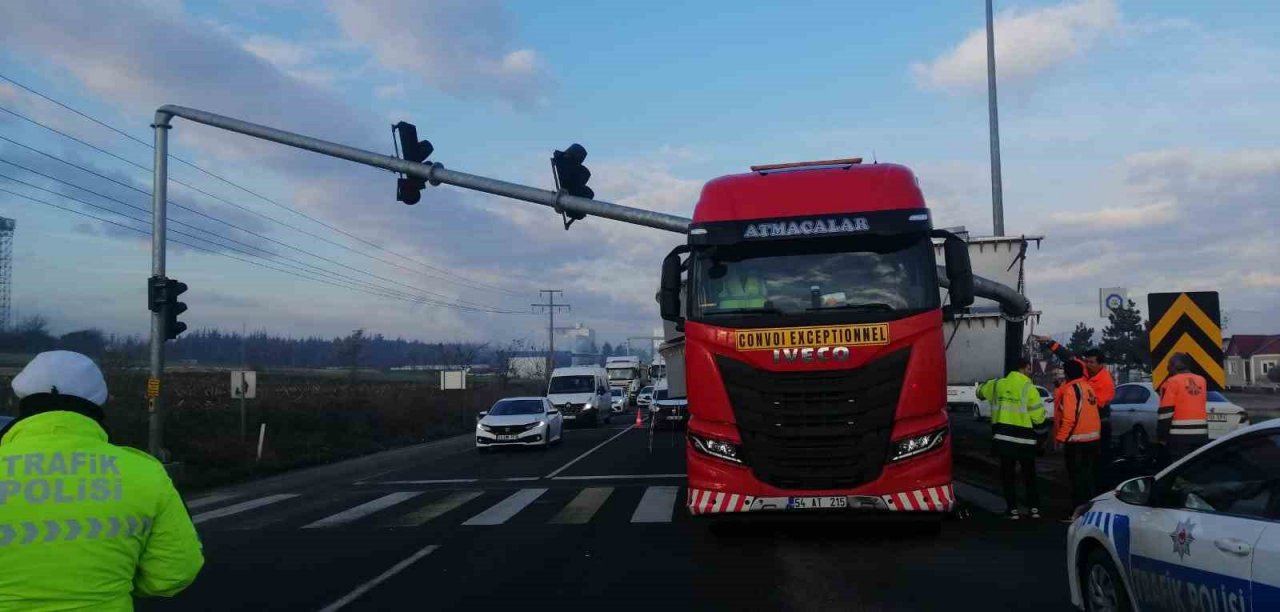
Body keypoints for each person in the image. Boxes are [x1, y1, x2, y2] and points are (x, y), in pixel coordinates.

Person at [0, 351, 204, 610]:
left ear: (21, 400)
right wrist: (111, 585)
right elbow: (175, 572)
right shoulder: (144, 473)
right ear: (98, 405)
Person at [1033, 337, 1115, 483]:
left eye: (1091, 362)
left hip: (1098, 426)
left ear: (1101, 364)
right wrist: (1051, 343)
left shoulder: (1105, 382)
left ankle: (1098, 491)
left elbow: (1092, 406)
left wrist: (1070, 392)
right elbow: (1068, 357)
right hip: (1083, 428)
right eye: (1087, 361)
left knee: (1097, 464)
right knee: (1080, 467)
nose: (1088, 365)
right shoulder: (1084, 372)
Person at [977, 357, 1047, 520]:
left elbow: (979, 392)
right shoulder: (1029, 388)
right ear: (1024, 368)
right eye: (1029, 368)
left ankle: (1012, 510)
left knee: (1007, 476)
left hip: (1003, 439)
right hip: (1025, 441)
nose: (1030, 371)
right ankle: (1034, 509)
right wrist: (1042, 436)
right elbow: (1038, 417)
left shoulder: (997, 384)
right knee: (1029, 475)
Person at [1052, 359, 1101, 520]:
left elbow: (1069, 419)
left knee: (1076, 479)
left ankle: (1077, 513)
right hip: (1093, 439)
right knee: (1089, 477)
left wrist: (1060, 439)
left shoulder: (1070, 390)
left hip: (1076, 441)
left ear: (1067, 374)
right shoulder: (1088, 387)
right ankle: (1090, 511)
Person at [1156, 352, 1209, 464]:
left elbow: (1165, 413)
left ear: (1174, 366)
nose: (1167, 368)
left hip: (1179, 436)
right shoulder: (1202, 381)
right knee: (1197, 466)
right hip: (1201, 434)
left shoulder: (1171, 382)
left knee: (1179, 467)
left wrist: (1161, 438)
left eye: (1169, 364)